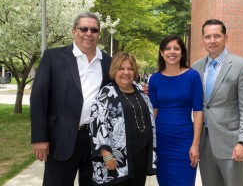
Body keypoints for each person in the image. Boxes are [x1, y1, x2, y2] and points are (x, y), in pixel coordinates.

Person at [30, 12, 112, 186]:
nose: (88, 33)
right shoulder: (53, 57)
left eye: (94, 30)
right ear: (74, 31)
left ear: (98, 34)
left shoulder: (108, 62)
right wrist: (39, 138)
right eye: (83, 28)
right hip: (61, 139)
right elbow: (38, 98)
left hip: (95, 142)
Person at [192, 19, 243, 186]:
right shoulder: (196, 67)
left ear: (225, 37)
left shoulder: (242, 66)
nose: (212, 41)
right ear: (203, 39)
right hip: (205, 144)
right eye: (208, 37)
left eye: (217, 36)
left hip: (232, 143)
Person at [89, 52, 156, 186]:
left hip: (140, 159)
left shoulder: (140, 92)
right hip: (116, 162)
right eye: (121, 68)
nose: (126, 72)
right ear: (114, 71)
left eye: (130, 68)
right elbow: (97, 126)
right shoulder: (106, 94)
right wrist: (107, 155)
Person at [148, 35, 203, 186]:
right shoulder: (155, 79)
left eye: (176, 48)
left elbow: (198, 111)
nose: (172, 52)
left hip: (185, 142)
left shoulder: (192, 76)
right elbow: (154, 111)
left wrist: (195, 144)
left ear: (182, 52)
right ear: (161, 52)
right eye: (167, 48)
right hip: (161, 142)